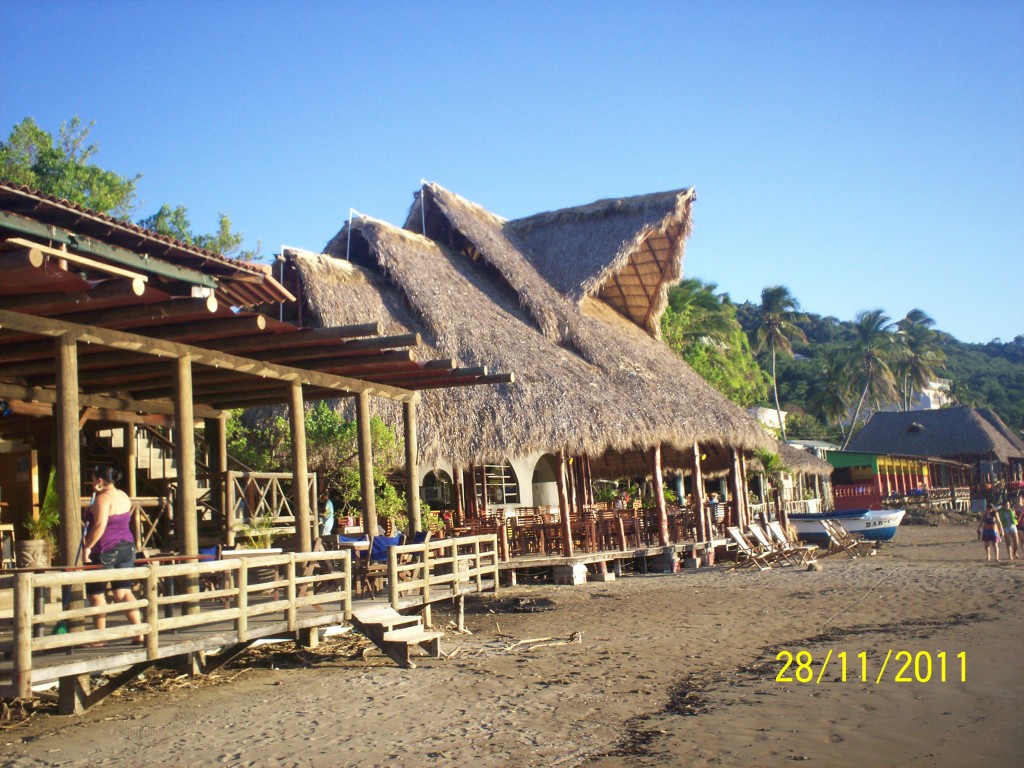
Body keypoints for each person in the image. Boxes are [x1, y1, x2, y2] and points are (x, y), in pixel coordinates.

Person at [83, 465, 143, 644]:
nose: (92, 483)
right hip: (127, 547)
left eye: (93, 479)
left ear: (100, 481)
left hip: (106, 549)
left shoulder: (103, 499)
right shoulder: (123, 495)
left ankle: (100, 637)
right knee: (123, 591)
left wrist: (88, 547)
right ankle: (138, 632)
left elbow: (100, 525)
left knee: (97, 593)